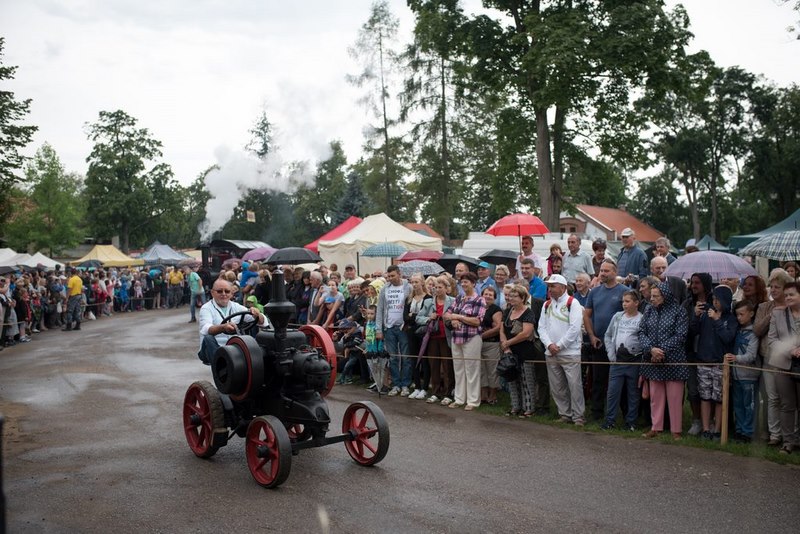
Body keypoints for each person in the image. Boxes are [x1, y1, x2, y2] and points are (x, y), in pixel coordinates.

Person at [639, 282, 689, 440]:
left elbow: (681, 335)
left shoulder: (679, 311)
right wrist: (651, 349)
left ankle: (676, 430)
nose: (651, 299)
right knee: (655, 397)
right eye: (651, 295)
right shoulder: (648, 310)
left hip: (673, 361)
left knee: (674, 398)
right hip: (653, 360)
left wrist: (661, 350)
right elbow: (641, 331)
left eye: (655, 296)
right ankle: (656, 427)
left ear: (665, 296)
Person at [754, 269, 794, 446]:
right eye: (772, 286)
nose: (774, 289)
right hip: (768, 358)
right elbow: (757, 330)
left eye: (778, 287)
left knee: (789, 400)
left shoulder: (793, 306)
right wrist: (772, 315)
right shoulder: (764, 307)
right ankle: (774, 434)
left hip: (790, 360)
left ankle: (790, 435)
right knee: (772, 398)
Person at [583, 259, 627, 422]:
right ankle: (596, 413)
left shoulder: (624, 291)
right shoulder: (594, 292)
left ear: (615, 272)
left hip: (618, 344)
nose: (602, 273)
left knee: (620, 381)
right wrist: (591, 335)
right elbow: (587, 315)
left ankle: (624, 415)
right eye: (601, 270)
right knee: (598, 380)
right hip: (598, 342)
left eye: (606, 271)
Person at [691, 285, 737, 440]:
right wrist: (696, 316)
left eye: (718, 299)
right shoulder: (706, 315)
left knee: (719, 398)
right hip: (703, 361)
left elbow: (728, 338)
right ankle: (705, 429)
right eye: (714, 299)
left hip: (720, 364)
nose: (715, 302)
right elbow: (693, 332)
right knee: (705, 397)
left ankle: (717, 430)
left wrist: (717, 320)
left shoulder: (730, 319)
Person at [540, 274, 586, 425]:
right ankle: (565, 414)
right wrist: (549, 345)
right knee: (557, 386)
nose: (550, 289)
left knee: (574, 386)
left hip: (570, 352)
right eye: (549, 286)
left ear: (563, 287)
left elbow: (574, 328)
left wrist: (559, 345)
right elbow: (541, 328)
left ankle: (578, 416)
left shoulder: (573, 303)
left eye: (553, 286)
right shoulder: (546, 305)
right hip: (551, 353)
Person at [197, 279, 268, 365]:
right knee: (208, 338)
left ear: (231, 293)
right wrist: (223, 327)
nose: (224, 294)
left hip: (233, 348)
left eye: (227, 291)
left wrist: (257, 315)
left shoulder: (236, 307)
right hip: (212, 348)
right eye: (219, 291)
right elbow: (206, 329)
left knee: (259, 341)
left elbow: (263, 322)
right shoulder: (206, 308)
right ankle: (220, 366)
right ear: (212, 293)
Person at [443, 271, 485, 410]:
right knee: (458, 369)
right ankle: (459, 399)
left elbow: (477, 321)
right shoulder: (459, 298)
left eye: (466, 281)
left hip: (472, 337)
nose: (463, 284)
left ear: (473, 283)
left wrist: (458, 317)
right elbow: (446, 314)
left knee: (472, 369)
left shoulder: (479, 300)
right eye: (462, 282)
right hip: (457, 337)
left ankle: (473, 401)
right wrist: (453, 320)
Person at [602, 290, 643, 431]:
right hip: (617, 362)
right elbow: (608, 335)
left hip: (634, 361)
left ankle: (631, 422)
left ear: (636, 303)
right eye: (623, 301)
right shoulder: (617, 317)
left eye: (627, 301)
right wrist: (611, 355)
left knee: (633, 393)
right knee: (613, 392)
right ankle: (610, 421)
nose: (624, 304)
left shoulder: (642, 318)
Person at [767, 281, 800, 454]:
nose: (788, 298)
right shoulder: (778, 314)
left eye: (791, 294)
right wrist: (790, 350)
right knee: (787, 404)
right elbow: (772, 340)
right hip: (782, 364)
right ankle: (788, 442)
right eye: (786, 295)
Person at [724, 299, 760, 443]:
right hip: (736, 375)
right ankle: (739, 430)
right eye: (737, 315)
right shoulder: (737, 331)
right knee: (738, 405)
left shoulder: (754, 333)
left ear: (751, 314)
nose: (739, 318)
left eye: (742, 314)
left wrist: (736, 358)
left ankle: (748, 432)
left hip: (749, 376)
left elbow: (751, 356)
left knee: (749, 405)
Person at [682, 272, 713, 436]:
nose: (693, 285)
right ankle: (696, 420)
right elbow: (683, 328)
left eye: (697, 283)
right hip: (691, 352)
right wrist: (694, 315)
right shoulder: (687, 304)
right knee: (693, 390)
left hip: (710, 352)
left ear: (705, 285)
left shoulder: (714, 301)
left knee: (710, 390)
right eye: (692, 282)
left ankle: (711, 421)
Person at [500, 284, 537, 417]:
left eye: (515, 296)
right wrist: (505, 346)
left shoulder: (528, 312)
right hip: (509, 352)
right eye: (510, 296)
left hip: (525, 351)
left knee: (527, 380)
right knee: (512, 379)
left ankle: (529, 408)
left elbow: (526, 333)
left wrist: (508, 342)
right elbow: (502, 330)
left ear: (522, 298)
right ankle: (515, 407)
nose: (511, 298)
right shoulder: (507, 311)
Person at [376, 265, 412, 397]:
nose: (390, 278)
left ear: (399, 274)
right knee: (393, 357)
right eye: (388, 276)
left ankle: (405, 384)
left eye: (393, 276)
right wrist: (379, 329)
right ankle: (396, 384)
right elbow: (380, 309)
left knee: (406, 357)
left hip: (403, 327)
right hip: (389, 327)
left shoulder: (408, 287)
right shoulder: (384, 289)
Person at [418, 276, 455, 405]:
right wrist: (429, 317)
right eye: (436, 287)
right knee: (434, 365)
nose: (437, 290)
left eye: (440, 287)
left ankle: (448, 393)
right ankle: (435, 392)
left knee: (447, 366)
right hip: (432, 337)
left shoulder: (453, 301)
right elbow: (418, 318)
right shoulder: (428, 302)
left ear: (446, 288)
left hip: (446, 337)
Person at [404, 274, 432, 399]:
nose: (414, 284)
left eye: (416, 282)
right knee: (413, 358)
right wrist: (414, 317)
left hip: (423, 331)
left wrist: (413, 316)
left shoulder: (428, 298)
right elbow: (405, 317)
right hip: (411, 331)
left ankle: (425, 387)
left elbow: (427, 317)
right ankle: (417, 386)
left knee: (424, 359)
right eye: (412, 282)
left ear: (422, 283)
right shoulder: (409, 299)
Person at [479, 286, 503, 405]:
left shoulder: (496, 309)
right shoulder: (478, 307)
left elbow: (498, 327)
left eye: (490, 295)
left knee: (492, 370)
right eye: (486, 294)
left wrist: (481, 335)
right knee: (481, 370)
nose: (487, 296)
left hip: (492, 344)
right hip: (478, 344)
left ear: (494, 298)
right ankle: (483, 395)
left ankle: (492, 396)